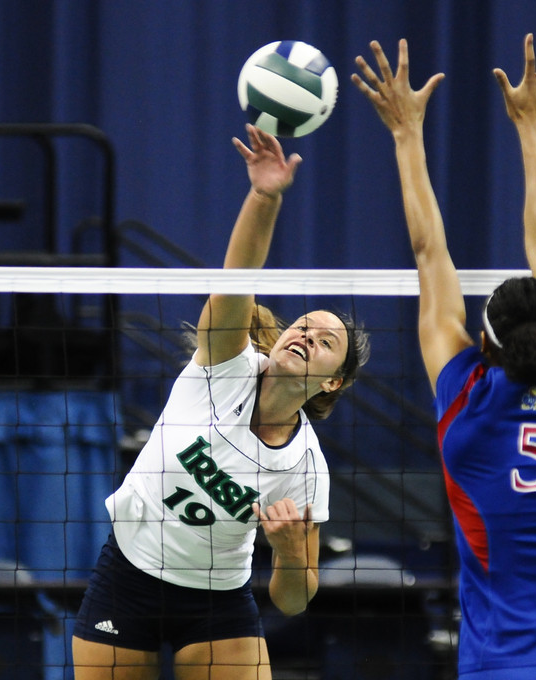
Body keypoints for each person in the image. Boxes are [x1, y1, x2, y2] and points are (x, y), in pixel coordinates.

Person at [352, 33, 536, 679]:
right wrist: (533, 127)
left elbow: (428, 252)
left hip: (497, 664)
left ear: (482, 341)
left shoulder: (465, 409)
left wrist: (406, 134)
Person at [72, 124, 370, 680]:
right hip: (128, 576)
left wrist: (285, 551)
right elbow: (237, 276)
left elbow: (294, 599)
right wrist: (264, 195)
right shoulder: (222, 368)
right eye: (304, 326)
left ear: (332, 383)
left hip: (216, 603)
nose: (306, 335)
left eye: (325, 342)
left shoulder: (305, 468)